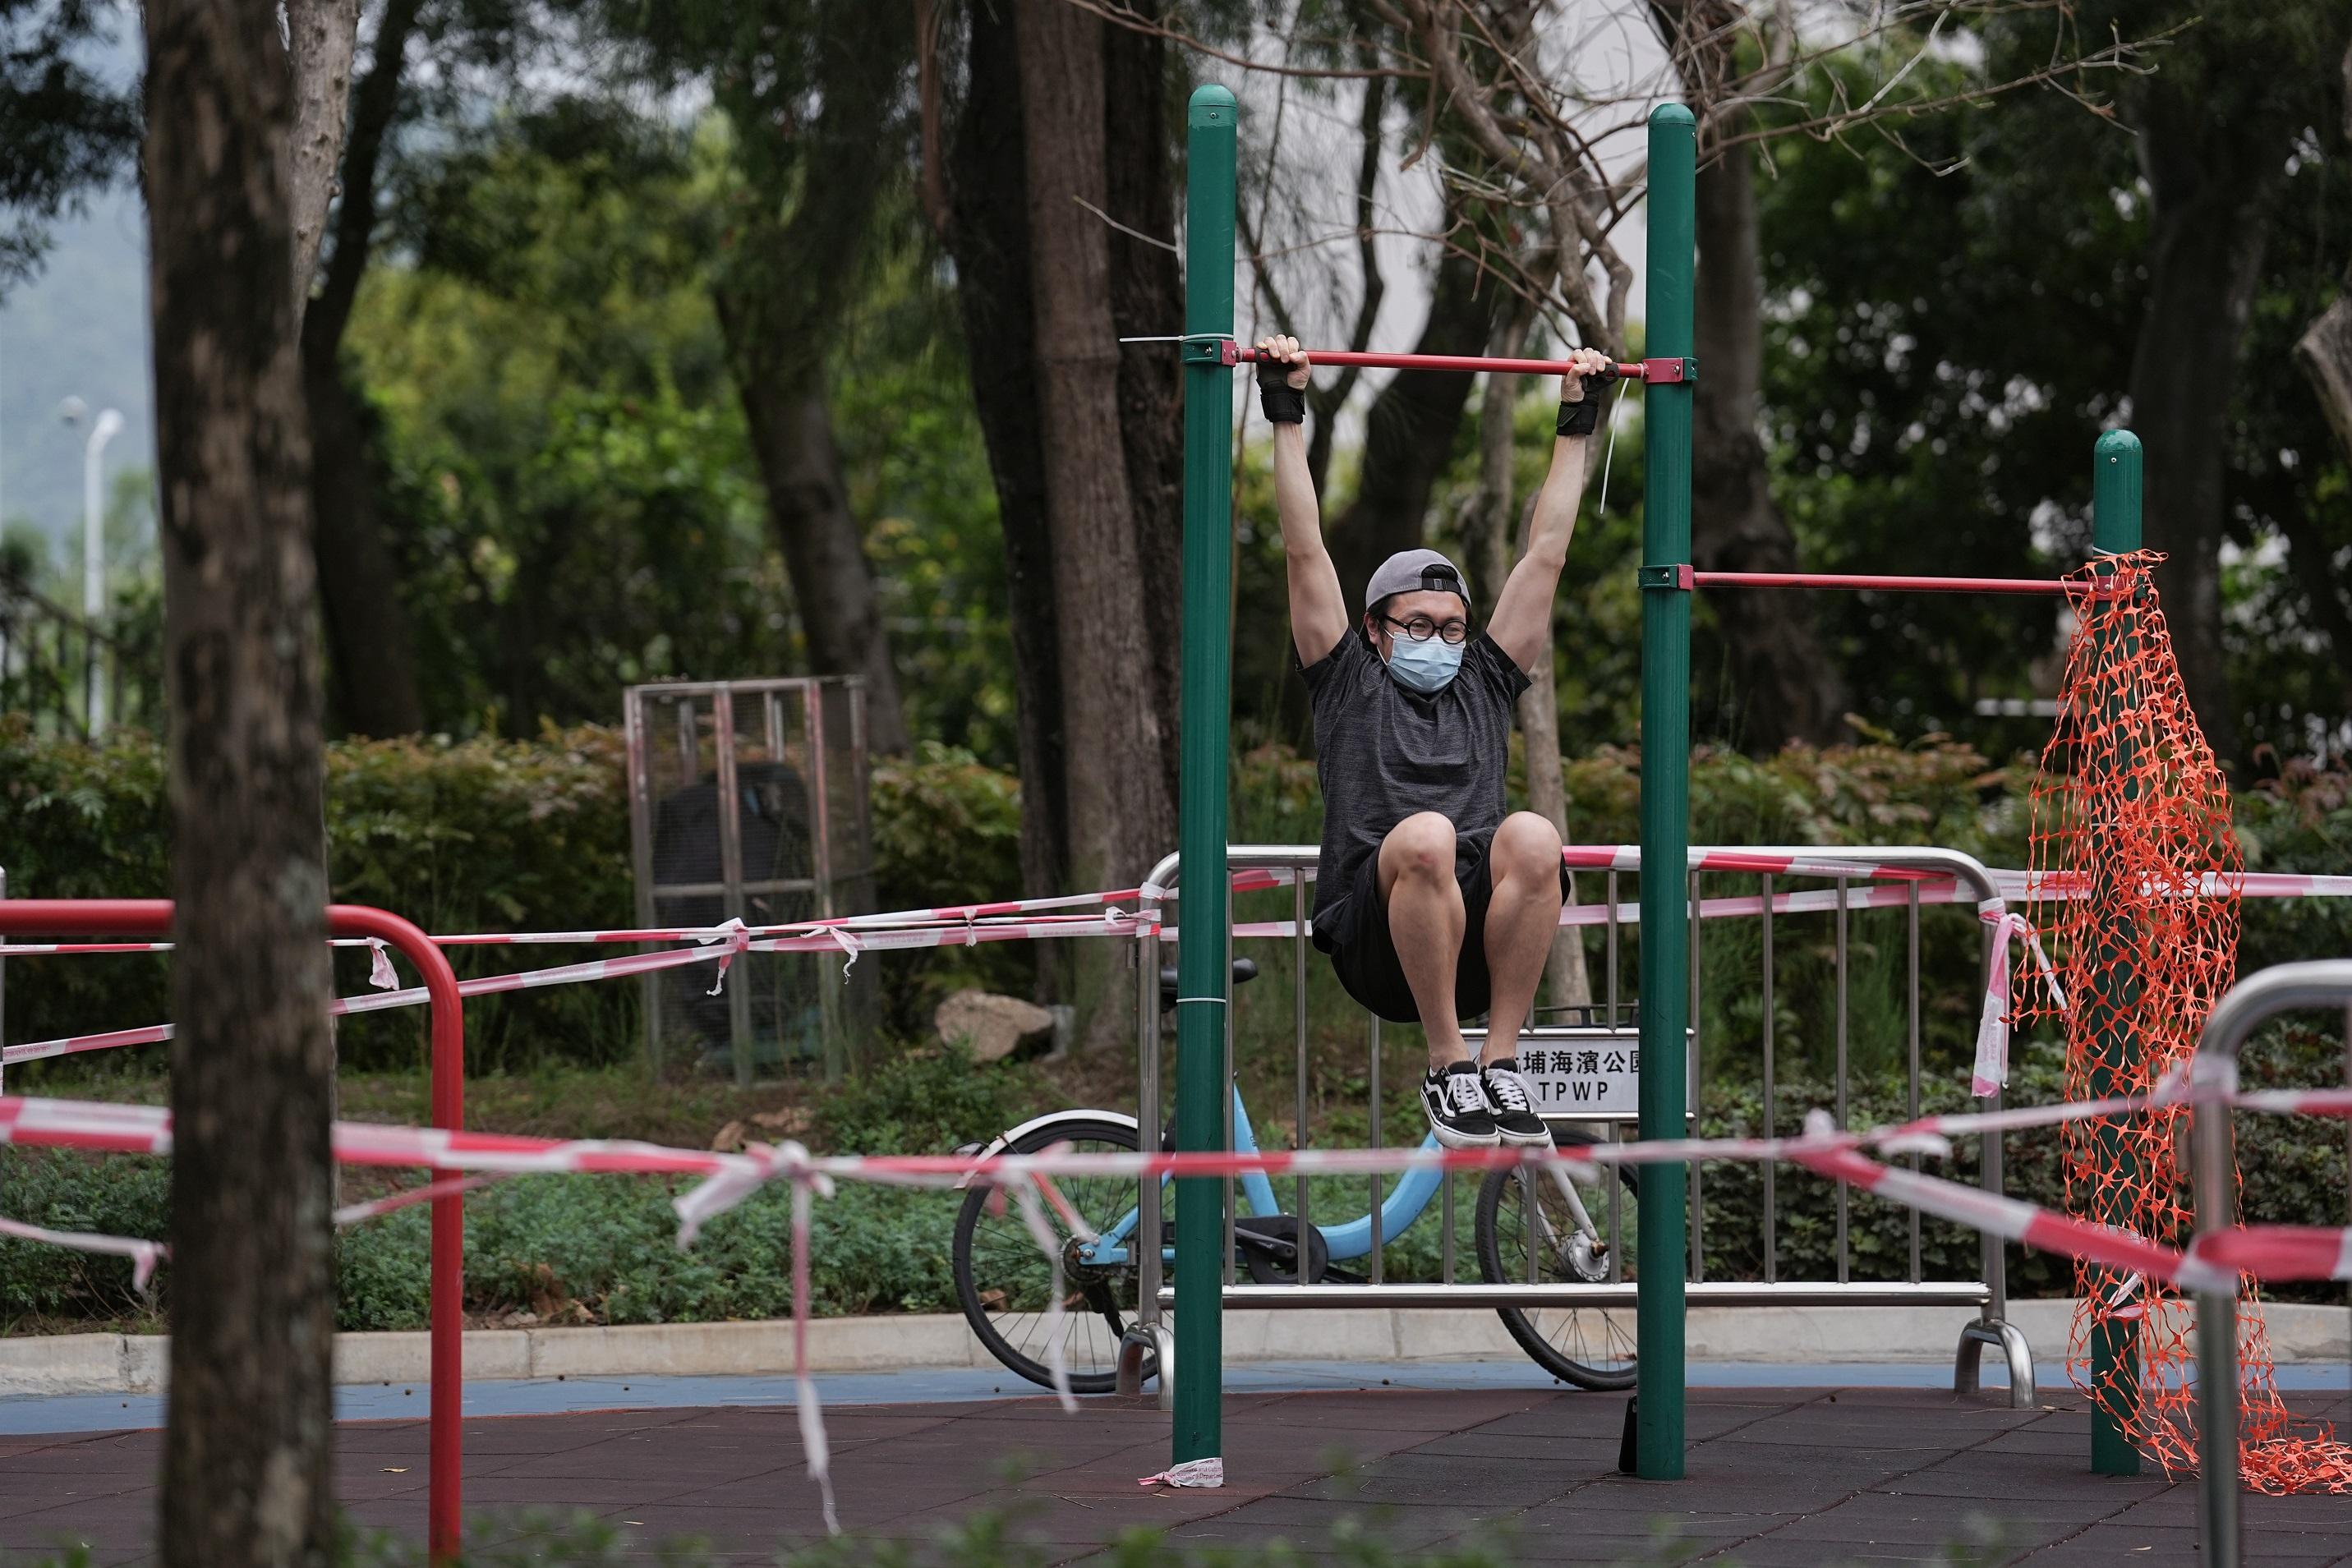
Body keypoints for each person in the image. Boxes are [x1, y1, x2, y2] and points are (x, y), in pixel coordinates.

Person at [1258, 333, 1613, 1150]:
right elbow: (1304, 547)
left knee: (1533, 834)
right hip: (1380, 940)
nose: (1440, 638)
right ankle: (1447, 1062)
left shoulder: (1485, 679)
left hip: (1479, 942)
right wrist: (1286, 409)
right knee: (1425, 836)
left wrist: (1575, 418)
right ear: (1377, 630)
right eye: (1418, 624)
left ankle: (1500, 1058)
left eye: (1452, 626)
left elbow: (1546, 556)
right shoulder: (1347, 677)